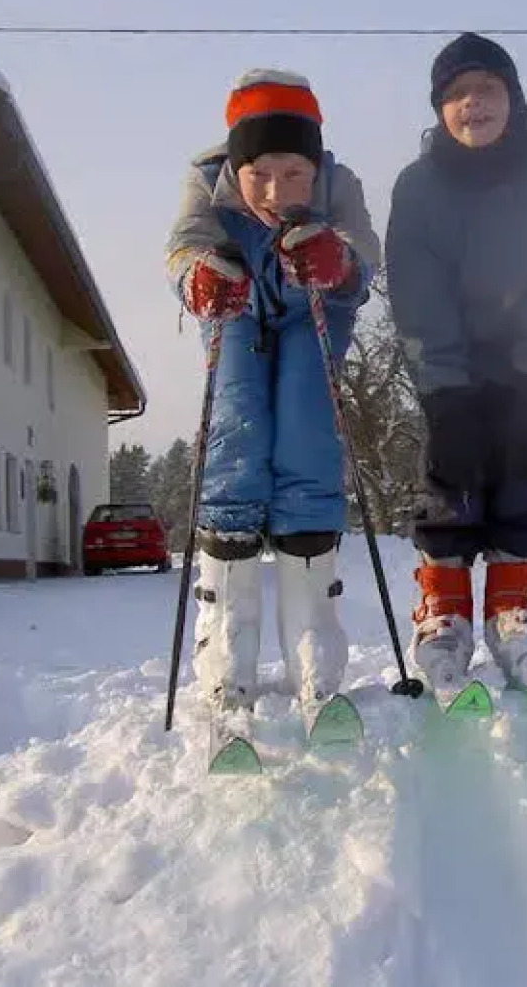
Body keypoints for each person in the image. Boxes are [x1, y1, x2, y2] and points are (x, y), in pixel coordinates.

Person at [164, 68, 379, 713]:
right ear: (237, 164)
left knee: (308, 440)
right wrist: (199, 277)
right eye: (259, 173)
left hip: (312, 308)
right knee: (237, 440)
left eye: (294, 175)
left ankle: (315, 640)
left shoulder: (341, 182)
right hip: (237, 313)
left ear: (314, 166)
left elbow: (365, 249)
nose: (276, 191)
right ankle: (225, 646)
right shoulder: (206, 181)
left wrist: (339, 259)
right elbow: (183, 247)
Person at [384, 33, 527, 690]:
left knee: (524, 475)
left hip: (524, 359)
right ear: (439, 110)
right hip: (449, 360)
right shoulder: (419, 186)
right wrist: (443, 384)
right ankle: (443, 610)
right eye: (457, 95)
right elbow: (415, 285)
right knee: (450, 477)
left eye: (487, 91)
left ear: (513, 97)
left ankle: (512, 606)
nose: (473, 104)